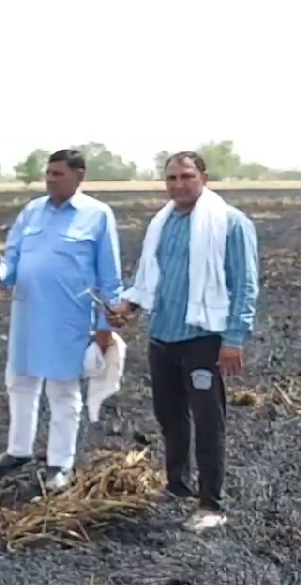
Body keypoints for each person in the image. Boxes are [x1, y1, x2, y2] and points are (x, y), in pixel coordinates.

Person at [106, 151, 259, 532]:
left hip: (204, 338)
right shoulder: (163, 223)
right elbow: (153, 279)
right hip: (164, 335)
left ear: (204, 178)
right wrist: (130, 305)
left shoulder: (230, 223)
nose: (178, 185)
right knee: (170, 417)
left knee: (209, 421)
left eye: (186, 176)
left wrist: (233, 339)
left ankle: (212, 504)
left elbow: (245, 285)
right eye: (171, 178)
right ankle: (176, 486)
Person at [0, 149, 123, 491]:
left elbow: (110, 279)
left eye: (57, 174)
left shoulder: (97, 215)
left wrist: (104, 329)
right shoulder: (32, 211)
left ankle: (60, 463)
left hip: (69, 321)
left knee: (62, 391)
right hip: (28, 314)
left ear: (79, 175)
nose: (49, 180)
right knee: (20, 383)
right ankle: (18, 450)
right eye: (48, 174)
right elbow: (12, 255)